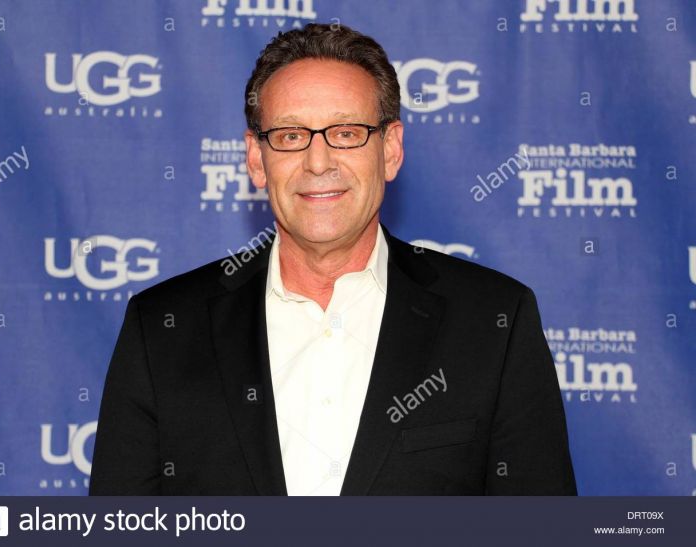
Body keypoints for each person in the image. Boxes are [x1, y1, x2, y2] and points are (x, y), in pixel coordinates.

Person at [90, 23, 577, 496]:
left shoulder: (493, 322)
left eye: (346, 133)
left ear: (390, 150)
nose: (318, 162)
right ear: (256, 159)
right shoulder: (163, 328)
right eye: (290, 135)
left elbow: (540, 529)